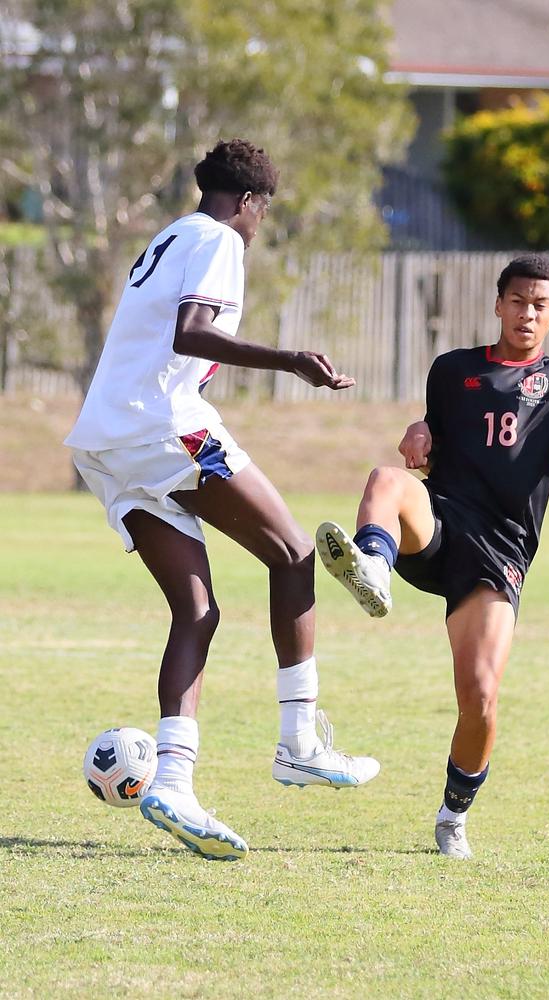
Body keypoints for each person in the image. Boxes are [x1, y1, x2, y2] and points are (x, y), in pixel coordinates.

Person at [65, 138, 379, 863]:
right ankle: (299, 741)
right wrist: (292, 360)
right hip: (166, 428)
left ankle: (172, 782)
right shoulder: (218, 239)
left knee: (197, 611)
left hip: (106, 445)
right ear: (251, 203)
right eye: (263, 213)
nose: (259, 224)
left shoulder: (170, 233)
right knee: (295, 553)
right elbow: (192, 331)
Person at [316, 254, 549, 860]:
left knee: (481, 699)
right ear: (498, 305)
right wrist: (418, 430)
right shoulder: (451, 369)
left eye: (539, 305)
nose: (527, 313)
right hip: (438, 525)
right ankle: (372, 566)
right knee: (386, 480)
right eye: (517, 300)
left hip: (498, 551)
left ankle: (452, 815)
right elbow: (430, 437)